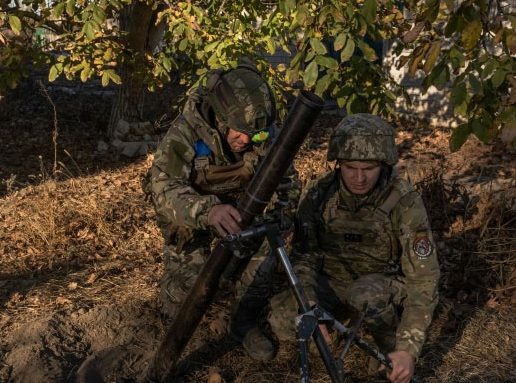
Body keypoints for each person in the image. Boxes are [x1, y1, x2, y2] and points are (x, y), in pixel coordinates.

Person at [267, 114, 440, 383]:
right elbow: (304, 259)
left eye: (368, 168)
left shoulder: (403, 200)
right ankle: (335, 328)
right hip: (331, 283)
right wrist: (309, 305)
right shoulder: (319, 194)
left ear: (383, 165)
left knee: (366, 295)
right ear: (338, 164)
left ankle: (386, 344)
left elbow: (423, 279)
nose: (359, 178)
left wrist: (408, 349)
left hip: (380, 284)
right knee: (281, 317)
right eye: (350, 167)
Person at [144, 65, 296, 361]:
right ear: (220, 117)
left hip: (241, 216)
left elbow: (286, 179)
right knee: (188, 289)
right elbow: (164, 190)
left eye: (257, 134)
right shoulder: (185, 133)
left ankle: (242, 323)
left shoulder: (260, 131)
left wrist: (283, 215)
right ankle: (177, 319)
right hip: (194, 220)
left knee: (266, 258)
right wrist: (209, 211)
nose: (249, 140)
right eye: (241, 132)